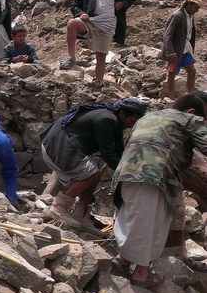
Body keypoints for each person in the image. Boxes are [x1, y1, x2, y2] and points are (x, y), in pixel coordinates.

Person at [110, 94, 207, 287]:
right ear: (191, 111)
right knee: (152, 223)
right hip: (156, 174)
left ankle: (123, 260)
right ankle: (141, 273)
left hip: (126, 172)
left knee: (136, 218)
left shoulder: (147, 118)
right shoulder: (190, 120)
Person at [40, 98, 147, 236]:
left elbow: (119, 150)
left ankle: (82, 216)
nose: (131, 126)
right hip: (57, 146)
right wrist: (124, 175)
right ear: (122, 113)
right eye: (131, 121)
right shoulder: (106, 119)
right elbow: (108, 153)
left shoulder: (115, 120)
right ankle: (59, 206)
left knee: (94, 177)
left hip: (61, 146)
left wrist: (131, 169)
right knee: (93, 175)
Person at [60, 0, 136, 83]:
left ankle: (98, 83)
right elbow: (75, 6)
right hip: (90, 21)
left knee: (101, 57)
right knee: (72, 23)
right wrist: (81, 14)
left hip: (107, 25)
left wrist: (122, 4)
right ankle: (71, 57)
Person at [162, 0, 202, 99]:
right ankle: (171, 98)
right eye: (195, 7)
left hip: (186, 49)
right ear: (188, 5)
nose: (196, 10)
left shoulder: (189, 17)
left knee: (192, 72)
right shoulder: (177, 15)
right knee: (172, 74)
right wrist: (171, 53)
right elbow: (167, 35)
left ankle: (191, 96)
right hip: (176, 51)